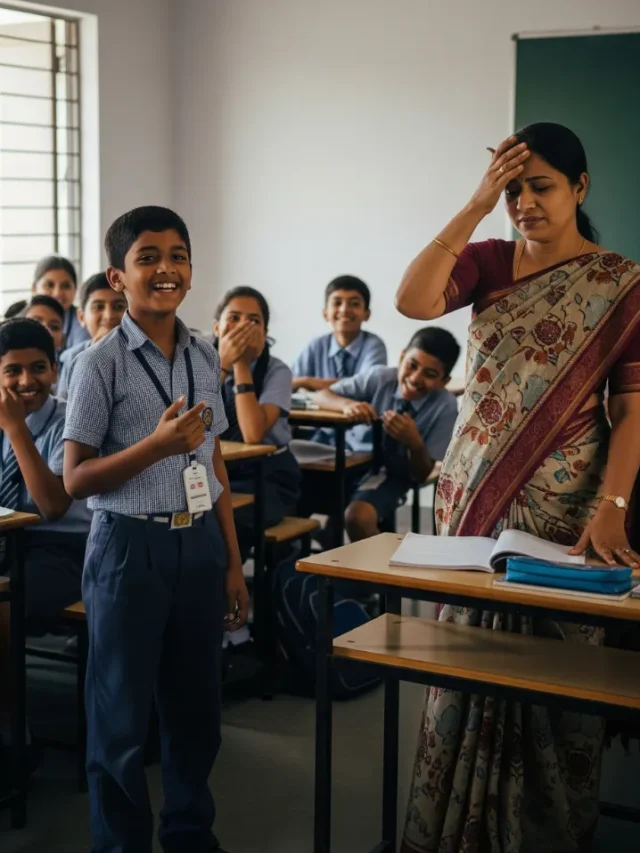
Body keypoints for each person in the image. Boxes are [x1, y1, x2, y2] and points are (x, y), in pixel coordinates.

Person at [395, 123, 640, 852]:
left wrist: (615, 507)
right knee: (464, 675)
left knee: (560, 688)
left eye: (541, 187)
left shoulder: (621, 285)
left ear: (580, 188)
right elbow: (413, 301)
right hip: (473, 502)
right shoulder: (489, 261)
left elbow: (631, 411)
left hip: (566, 511)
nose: (525, 203)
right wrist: (475, 204)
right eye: (513, 190)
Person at [63, 205, 247, 853]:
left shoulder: (203, 353)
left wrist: (231, 560)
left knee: (196, 709)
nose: (165, 268)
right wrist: (157, 445)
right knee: (120, 718)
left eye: (177, 256)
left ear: (191, 270)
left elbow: (214, 457)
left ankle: (190, 833)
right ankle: (121, 845)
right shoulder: (98, 363)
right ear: (118, 277)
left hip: (197, 540)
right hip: (127, 547)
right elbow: (76, 479)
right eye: (148, 258)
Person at [0, 319, 90, 743]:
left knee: (1, 609)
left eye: (38, 368)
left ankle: (16, 738)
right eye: (11, 371)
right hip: (10, 543)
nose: (25, 381)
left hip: (65, 549)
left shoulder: (70, 422)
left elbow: (53, 506)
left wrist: (16, 429)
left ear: (55, 369)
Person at [312, 327, 459, 539]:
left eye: (430, 374)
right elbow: (321, 396)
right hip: (353, 462)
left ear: (444, 382)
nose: (416, 378)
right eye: (412, 365)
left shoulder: (445, 406)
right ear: (401, 357)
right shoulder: (381, 377)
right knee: (295, 499)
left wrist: (414, 443)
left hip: (394, 473)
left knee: (357, 517)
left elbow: (422, 473)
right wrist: (346, 405)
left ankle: (374, 568)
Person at [214, 286, 300, 559]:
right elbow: (193, 412)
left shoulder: (277, 371)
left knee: (226, 524)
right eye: (234, 318)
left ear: (264, 332)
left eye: (254, 321)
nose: (243, 327)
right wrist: (223, 363)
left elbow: (252, 433)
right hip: (220, 472)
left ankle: (229, 594)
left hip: (268, 477)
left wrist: (239, 365)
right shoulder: (202, 362)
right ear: (217, 328)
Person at [291, 275, 387, 392]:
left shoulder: (374, 345)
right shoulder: (316, 345)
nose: (344, 309)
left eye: (355, 304)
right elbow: (289, 383)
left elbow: (367, 386)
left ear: (367, 314)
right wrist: (304, 382)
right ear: (325, 313)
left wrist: (309, 382)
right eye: (337, 303)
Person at [57, 273, 128, 399]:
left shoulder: (146, 353)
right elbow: (65, 409)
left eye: (118, 306)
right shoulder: (72, 357)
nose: (109, 316)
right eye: (98, 307)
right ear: (81, 317)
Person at [32, 255, 91, 350]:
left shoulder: (83, 325)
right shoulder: (17, 321)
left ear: (75, 290)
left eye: (65, 286)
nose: (57, 293)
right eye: (49, 285)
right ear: (34, 289)